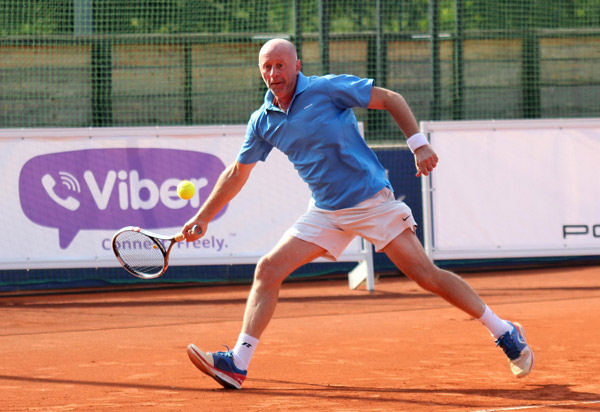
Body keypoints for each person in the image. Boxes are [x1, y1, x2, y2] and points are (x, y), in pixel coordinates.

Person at [180, 38, 534, 389]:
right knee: (268, 269)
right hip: (325, 210)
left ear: (297, 65)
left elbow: (391, 99)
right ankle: (238, 363)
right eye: (267, 67)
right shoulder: (263, 121)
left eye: (281, 65)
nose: (274, 73)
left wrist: (418, 143)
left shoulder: (328, 89)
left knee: (427, 276)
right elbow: (237, 173)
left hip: (371, 202)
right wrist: (204, 216)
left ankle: (503, 331)